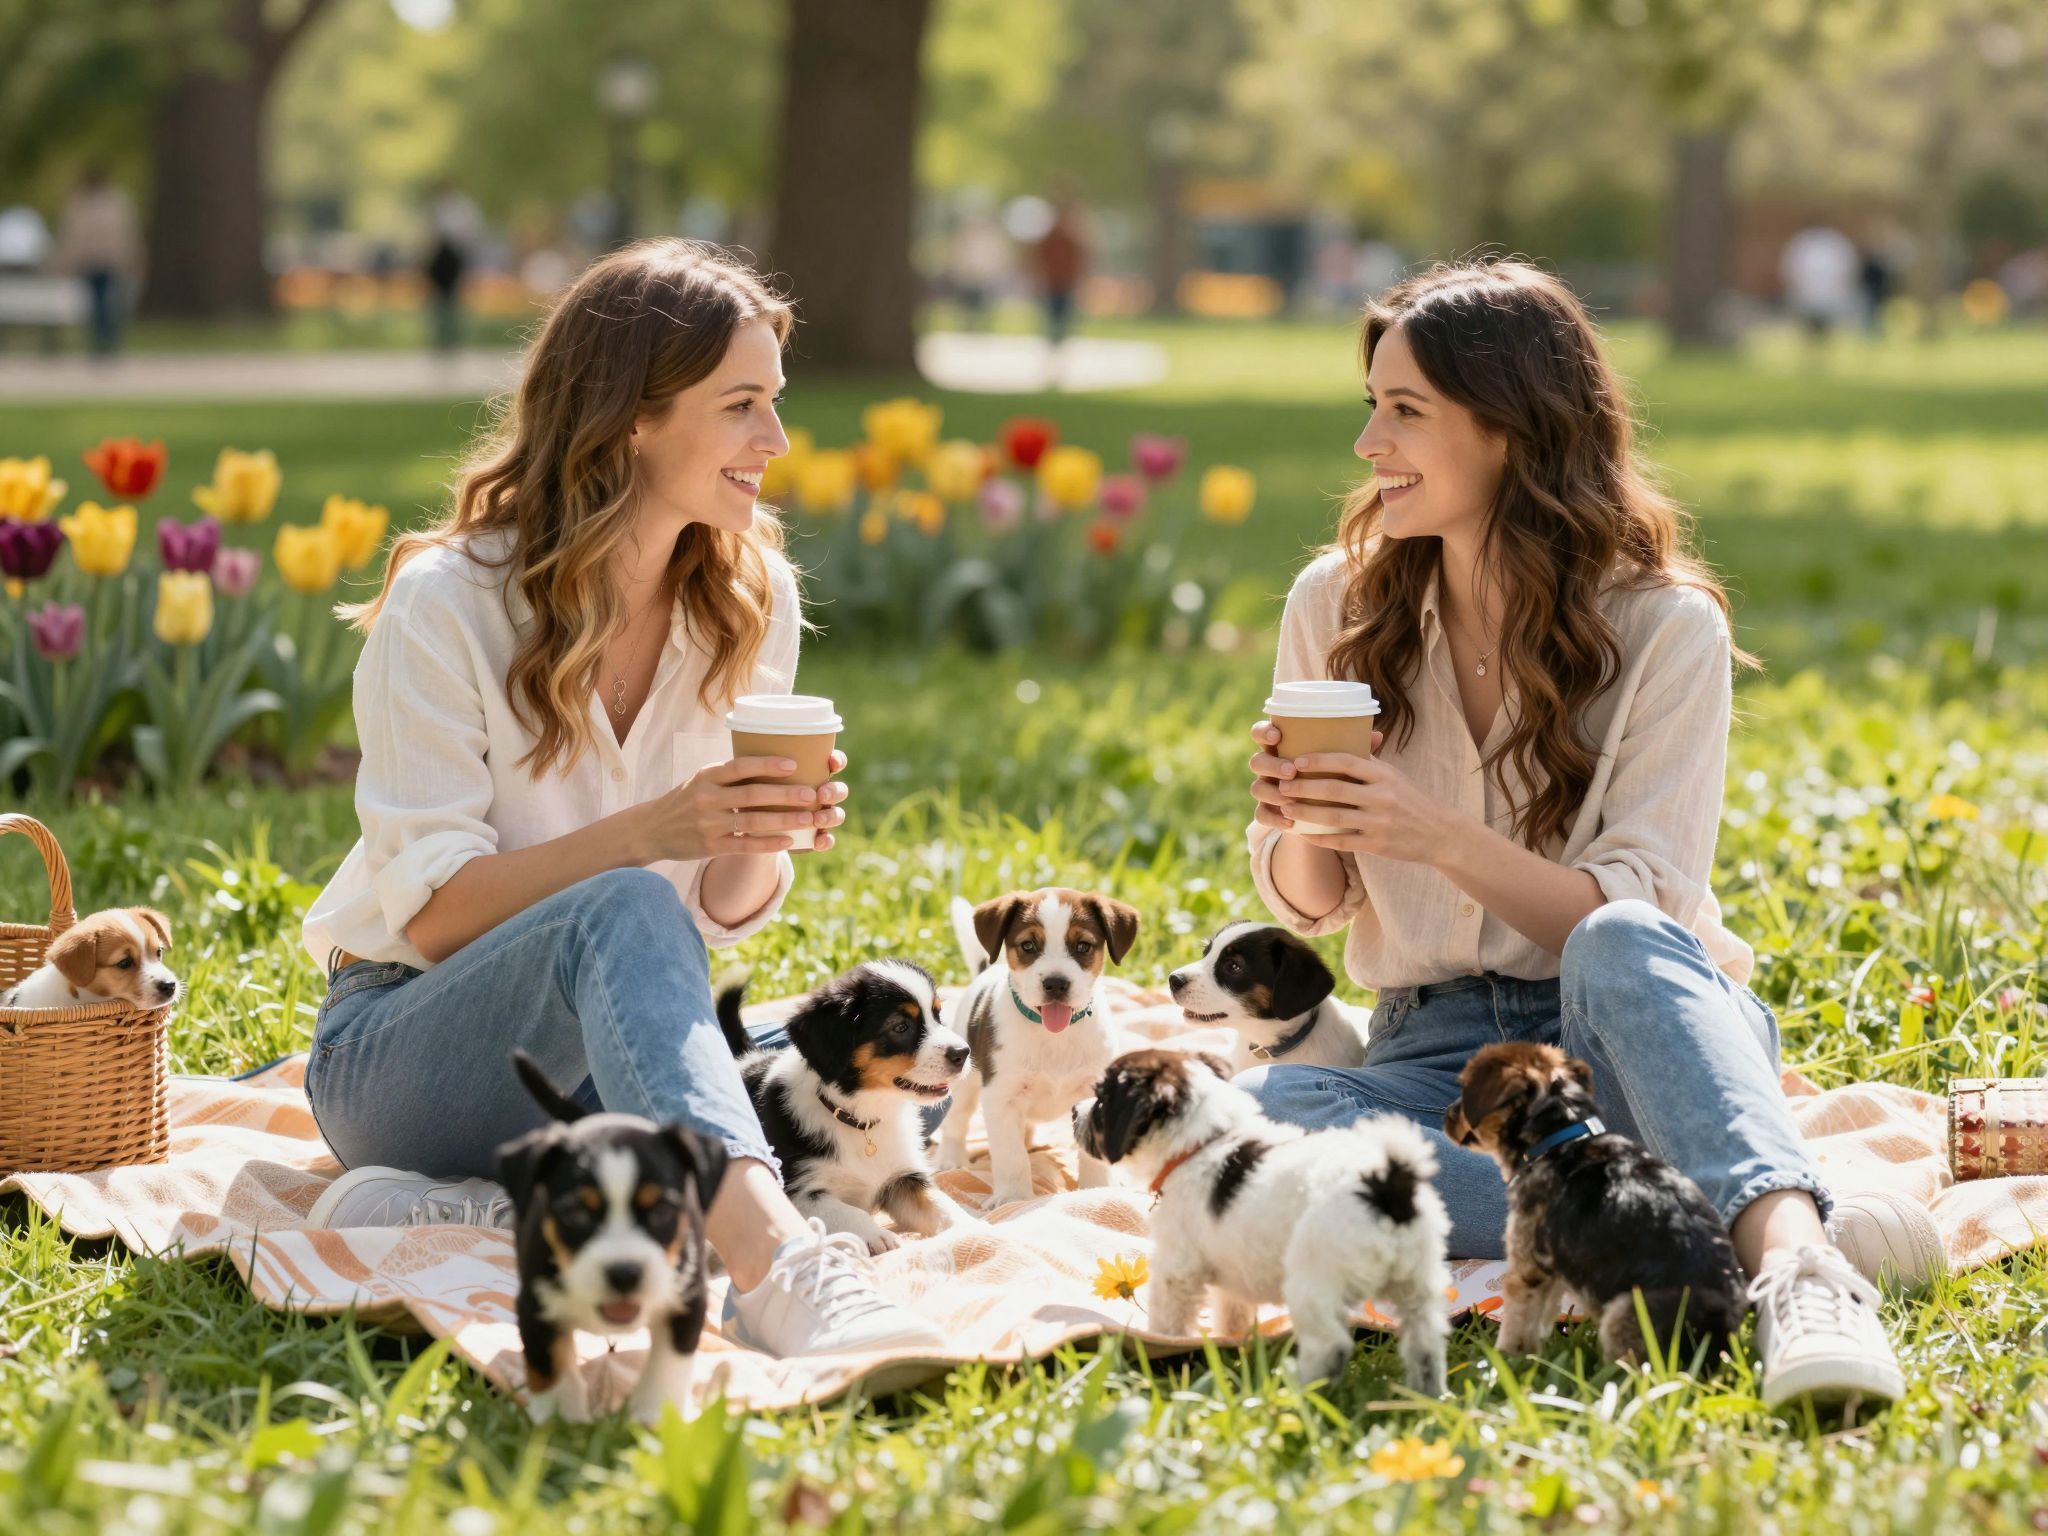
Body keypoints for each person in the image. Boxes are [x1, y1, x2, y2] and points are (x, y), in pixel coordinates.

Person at [1238, 260, 1934, 1410]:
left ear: (1511, 429)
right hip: (1439, 1065)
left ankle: (1801, 1276)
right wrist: (1301, 816)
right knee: (1266, 1128)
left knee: (1614, 933)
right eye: (1369, 405)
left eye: (1403, 410)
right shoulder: (1336, 602)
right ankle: (1725, 1203)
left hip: (1629, 1030)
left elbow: (1641, 914)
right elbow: (1309, 905)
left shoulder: (1664, 626)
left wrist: (1433, 835)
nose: (1367, 443)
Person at [299, 239, 946, 1360]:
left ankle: (490, 1206)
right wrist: (651, 832)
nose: (776, 443)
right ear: (631, 418)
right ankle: (776, 1268)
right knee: (627, 910)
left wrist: (755, 834)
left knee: (797, 1040)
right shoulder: (449, 605)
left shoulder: (749, 598)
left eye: (774, 404)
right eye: (741, 406)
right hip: (401, 1046)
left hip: (599, 1054)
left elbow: (703, 919)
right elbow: (438, 916)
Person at [52, 166, 142, 357]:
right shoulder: (112, 203)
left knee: (102, 301)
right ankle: (103, 340)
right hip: (94, 260)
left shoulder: (94, 203)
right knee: (98, 302)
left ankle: (104, 340)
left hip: (104, 259)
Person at [423, 184, 482, 352]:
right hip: (443, 256)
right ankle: (442, 338)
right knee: (441, 302)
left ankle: (450, 338)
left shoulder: (459, 208)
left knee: (450, 301)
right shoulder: (441, 208)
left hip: (452, 256)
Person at [1779, 223, 1858, 345]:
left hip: (1827, 292)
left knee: (1826, 321)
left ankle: (1822, 339)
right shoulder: (1805, 243)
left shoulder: (1828, 242)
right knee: (1810, 321)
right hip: (1810, 292)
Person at [1031, 192, 1089, 347]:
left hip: (1066, 280)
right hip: (1052, 281)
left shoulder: (1072, 238)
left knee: (1065, 313)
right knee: (1053, 313)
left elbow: (1081, 259)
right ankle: (1053, 339)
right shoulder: (1049, 238)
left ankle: (1060, 339)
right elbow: (1039, 258)